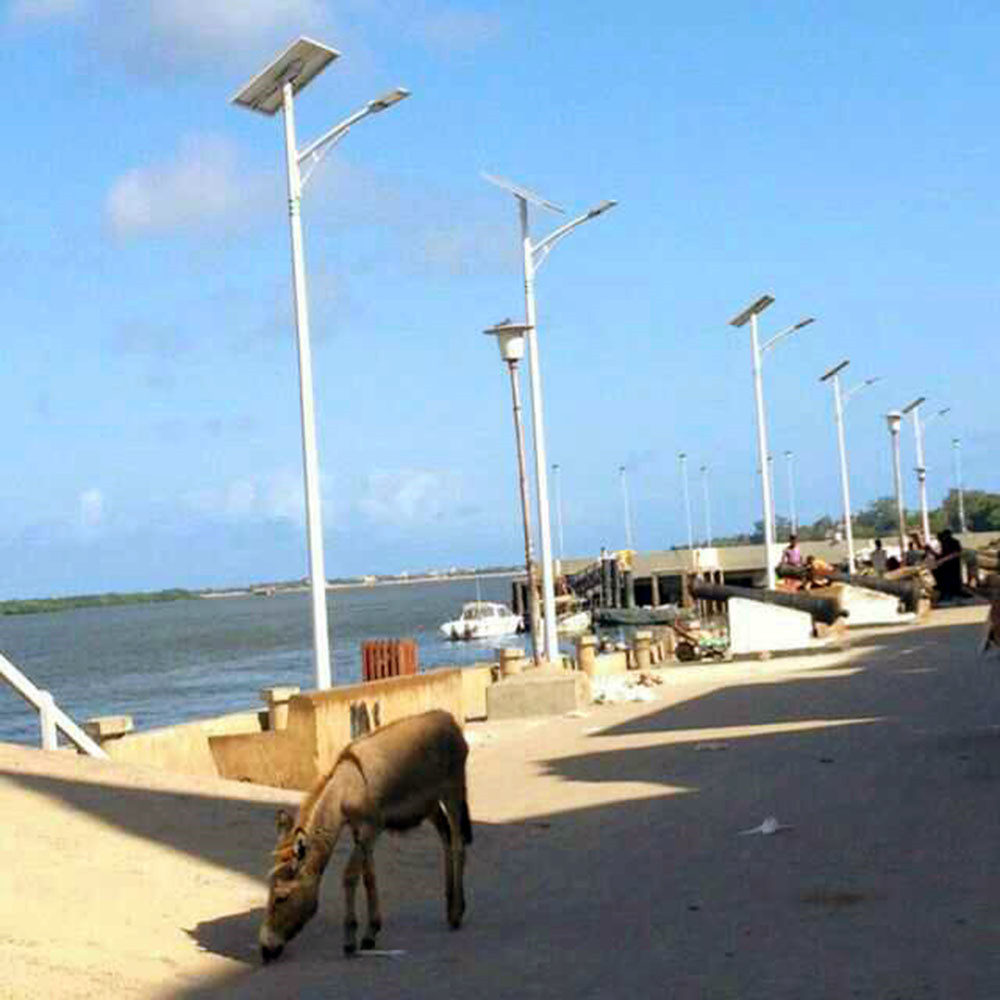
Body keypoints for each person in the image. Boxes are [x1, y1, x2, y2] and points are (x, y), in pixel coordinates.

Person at [933, 529, 964, 601]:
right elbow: (942, 553)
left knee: (952, 579)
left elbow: (957, 553)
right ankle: (947, 592)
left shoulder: (954, 542)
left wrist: (943, 560)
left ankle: (952, 592)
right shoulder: (944, 542)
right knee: (946, 579)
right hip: (946, 565)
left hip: (953, 564)